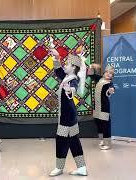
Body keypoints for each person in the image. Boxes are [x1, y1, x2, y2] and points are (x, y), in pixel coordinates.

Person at [49, 48, 88, 177]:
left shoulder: (73, 79)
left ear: (73, 68)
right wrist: (57, 57)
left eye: (67, 64)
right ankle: (80, 167)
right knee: (71, 141)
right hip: (66, 116)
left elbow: (73, 89)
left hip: (68, 117)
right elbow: (58, 70)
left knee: (63, 141)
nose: (65, 65)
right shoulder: (67, 76)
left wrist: (69, 90)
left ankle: (60, 168)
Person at [88, 64, 115, 150]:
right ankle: (102, 140)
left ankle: (107, 144)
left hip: (104, 108)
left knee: (105, 125)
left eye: (110, 73)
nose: (108, 74)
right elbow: (90, 74)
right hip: (97, 107)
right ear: (103, 73)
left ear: (112, 76)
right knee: (98, 124)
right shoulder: (99, 79)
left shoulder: (110, 83)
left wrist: (111, 91)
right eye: (106, 72)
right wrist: (91, 66)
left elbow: (111, 89)